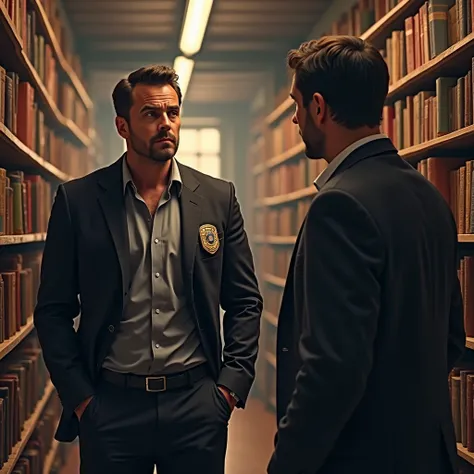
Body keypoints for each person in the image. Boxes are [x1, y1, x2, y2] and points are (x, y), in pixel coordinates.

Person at [34, 64, 263, 474]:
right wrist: (82, 398)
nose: (166, 124)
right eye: (151, 114)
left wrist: (229, 388)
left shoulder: (217, 198)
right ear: (123, 125)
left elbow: (245, 301)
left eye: (172, 113)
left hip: (197, 405)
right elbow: (53, 310)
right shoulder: (78, 201)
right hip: (111, 409)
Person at [267, 35, 465, 474]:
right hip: (426, 455)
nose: (297, 119)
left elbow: (332, 369)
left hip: (361, 458)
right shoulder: (431, 196)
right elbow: (450, 337)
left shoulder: (339, 206)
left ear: (318, 107)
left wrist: (287, 466)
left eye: (297, 105)